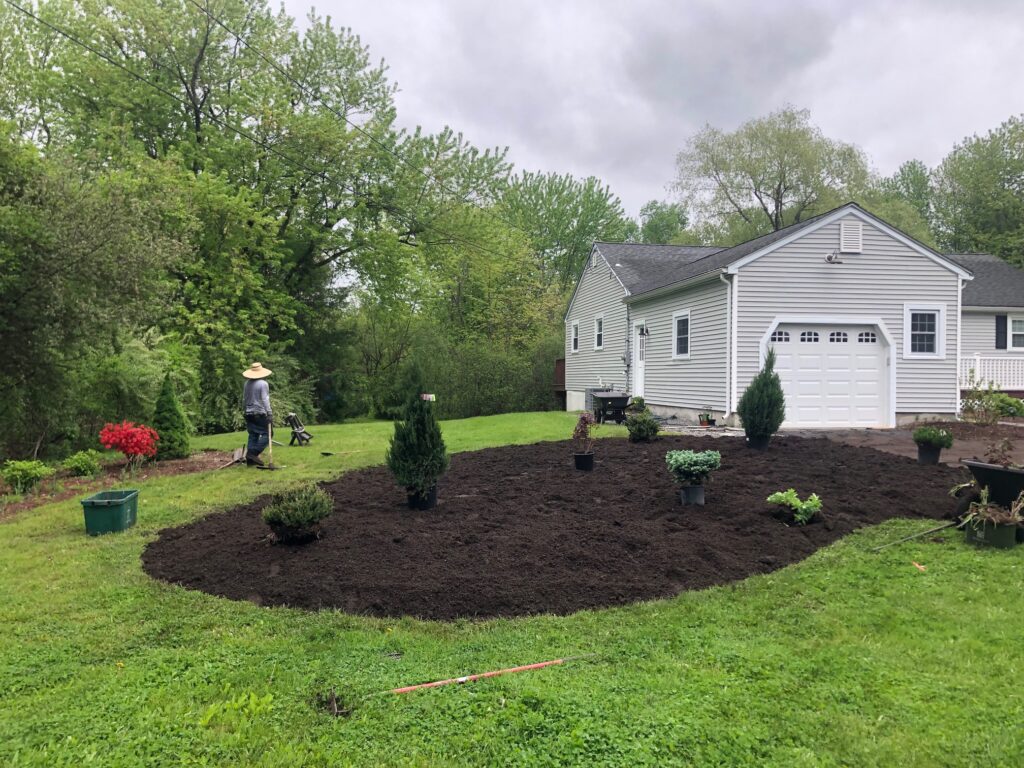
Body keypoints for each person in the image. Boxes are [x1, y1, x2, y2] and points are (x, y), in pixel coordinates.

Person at [242, 362, 273, 467]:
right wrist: (269, 413)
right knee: (268, 433)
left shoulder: (247, 383)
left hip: (248, 412)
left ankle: (250, 462)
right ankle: (252, 454)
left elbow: (244, 398)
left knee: (253, 434)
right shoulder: (263, 384)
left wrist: (244, 410)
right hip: (259, 413)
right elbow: (265, 399)